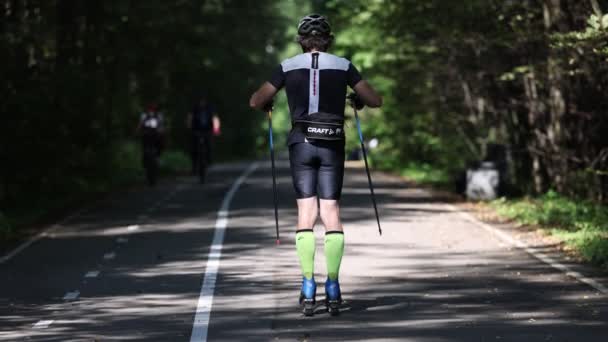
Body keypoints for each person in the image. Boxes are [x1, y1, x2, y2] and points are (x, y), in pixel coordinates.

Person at [249, 14, 382, 316]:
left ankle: (308, 285)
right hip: (333, 143)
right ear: (328, 39)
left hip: (302, 143)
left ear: (301, 40)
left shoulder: (287, 66)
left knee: (306, 213)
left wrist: (268, 104)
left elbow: (256, 101)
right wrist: (357, 101)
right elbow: (375, 100)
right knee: (331, 212)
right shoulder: (343, 65)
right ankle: (333, 286)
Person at [187, 94, 217, 174]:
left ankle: (209, 160)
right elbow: (190, 118)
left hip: (207, 131)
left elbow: (215, 119)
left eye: (203, 101)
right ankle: (194, 165)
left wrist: (216, 129)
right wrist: (190, 127)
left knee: (209, 145)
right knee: (193, 147)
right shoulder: (195, 109)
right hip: (196, 131)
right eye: (200, 101)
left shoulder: (209, 109)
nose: (202, 102)